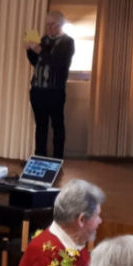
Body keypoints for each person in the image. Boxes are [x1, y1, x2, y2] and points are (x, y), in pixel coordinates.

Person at [26, 10, 75, 158]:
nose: (48, 28)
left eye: (51, 25)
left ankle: (57, 159)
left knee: (57, 125)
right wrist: (30, 50)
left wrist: (40, 50)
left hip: (55, 91)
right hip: (38, 90)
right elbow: (37, 63)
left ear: (60, 24)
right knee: (41, 126)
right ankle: (39, 157)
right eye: (47, 25)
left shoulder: (68, 42)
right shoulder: (44, 39)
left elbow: (57, 63)